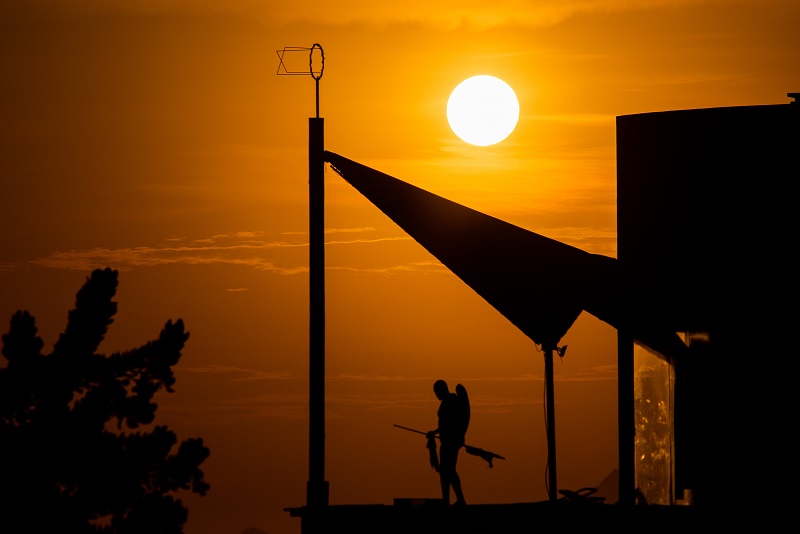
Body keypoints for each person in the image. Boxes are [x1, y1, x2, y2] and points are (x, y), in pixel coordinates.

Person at [427, 379, 470, 506]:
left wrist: (435, 432)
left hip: (450, 442)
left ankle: (458, 499)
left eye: (436, 392)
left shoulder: (451, 402)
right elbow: (445, 425)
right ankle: (446, 499)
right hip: (447, 441)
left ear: (442, 389)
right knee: (446, 472)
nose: (436, 395)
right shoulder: (448, 402)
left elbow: (450, 424)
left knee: (449, 470)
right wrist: (435, 433)